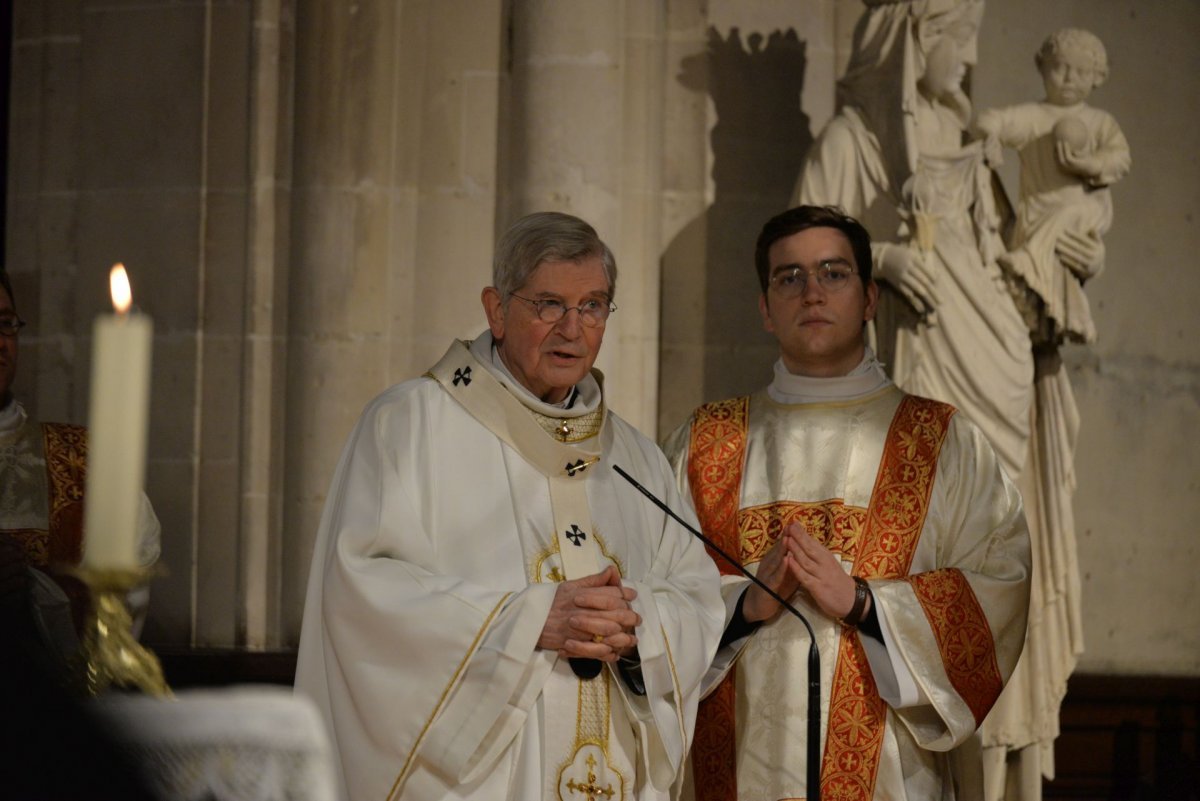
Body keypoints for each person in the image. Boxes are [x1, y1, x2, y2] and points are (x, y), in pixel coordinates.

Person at [294, 211, 725, 801]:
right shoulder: (410, 424)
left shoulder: (637, 458)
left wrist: (636, 627)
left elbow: (696, 595)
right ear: (496, 310)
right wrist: (528, 623)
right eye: (549, 304)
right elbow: (361, 594)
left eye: (593, 306)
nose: (573, 330)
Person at [792, 4, 1099, 796]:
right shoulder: (856, 140)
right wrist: (883, 255)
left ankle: (993, 764)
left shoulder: (973, 141)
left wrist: (1061, 252)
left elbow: (1004, 257)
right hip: (919, 373)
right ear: (915, 43)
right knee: (926, 554)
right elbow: (795, 251)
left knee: (996, 562)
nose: (968, 59)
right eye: (957, 40)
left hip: (995, 364)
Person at [664, 205, 1032, 801]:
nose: (811, 292)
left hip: (891, 776)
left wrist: (863, 603)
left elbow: (1000, 586)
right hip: (729, 772)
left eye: (833, 273)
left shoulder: (941, 442)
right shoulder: (706, 443)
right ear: (764, 307)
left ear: (869, 299)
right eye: (789, 277)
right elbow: (654, 593)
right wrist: (743, 607)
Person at [0, 269, 160, 660]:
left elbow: (114, 628)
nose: (0, 343)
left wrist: (32, 588)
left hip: (43, 711)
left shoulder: (83, 463)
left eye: (5, 324)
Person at [974, 27, 1131, 346]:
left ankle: (1030, 262)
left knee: (1074, 210)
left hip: (1082, 218)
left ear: (1097, 77)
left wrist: (1090, 165)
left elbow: (1120, 158)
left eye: (1081, 71)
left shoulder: (1100, 122)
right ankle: (1067, 317)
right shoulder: (1034, 117)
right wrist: (988, 136)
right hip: (1035, 224)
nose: (1069, 79)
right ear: (1041, 67)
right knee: (1036, 319)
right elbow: (991, 119)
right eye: (1060, 67)